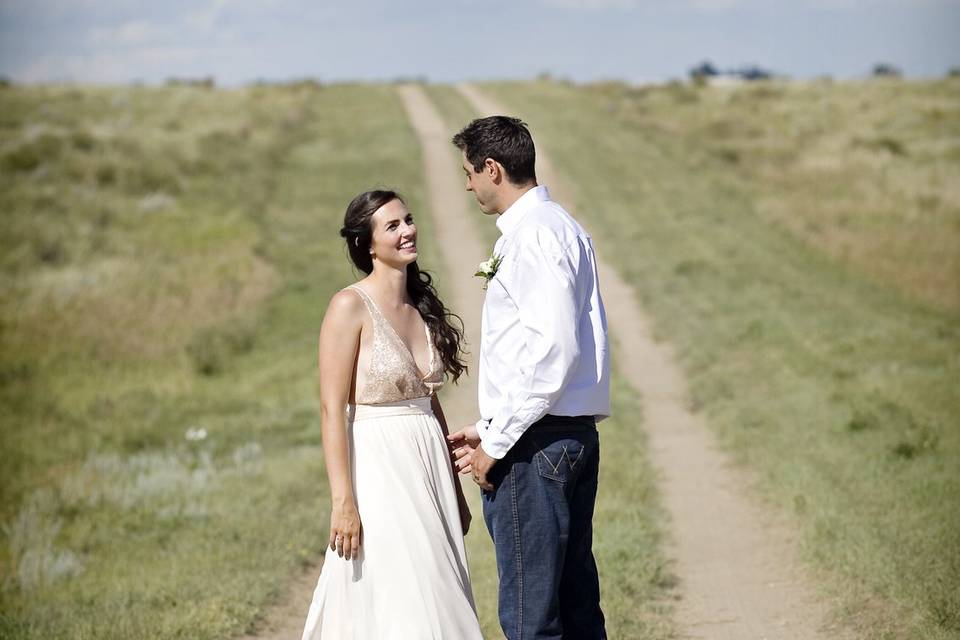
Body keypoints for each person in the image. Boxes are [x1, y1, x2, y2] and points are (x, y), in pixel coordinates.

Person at [447, 116, 611, 640]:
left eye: (470, 173)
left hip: (535, 447)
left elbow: (553, 351)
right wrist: (487, 421)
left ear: (493, 169)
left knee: (531, 617)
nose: (467, 184)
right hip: (566, 432)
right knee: (575, 604)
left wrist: (497, 438)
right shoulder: (562, 226)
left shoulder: (534, 237)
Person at [300, 190, 483, 640]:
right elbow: (330, 408)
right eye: (393, 226)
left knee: (441, 590)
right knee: (404, 595)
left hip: (429, 468)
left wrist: (456, 495)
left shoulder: (419, 306)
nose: (408, 231)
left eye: (409, 220)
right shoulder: (349, 306)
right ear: (366, 243)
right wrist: (343, 501)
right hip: (381, 470)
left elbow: (430, 401)